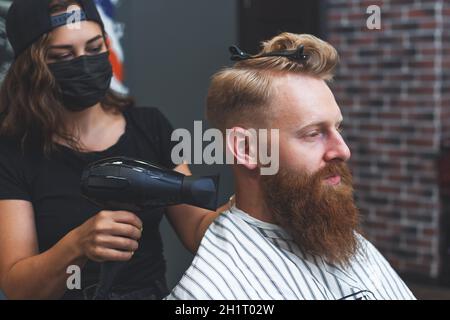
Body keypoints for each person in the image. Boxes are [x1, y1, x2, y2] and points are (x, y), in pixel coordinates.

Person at [166, 33, 416, 300]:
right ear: (247, 149)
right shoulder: (213, 290)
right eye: (313, 134)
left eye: (337, 128)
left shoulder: (335, 237)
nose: (343, 150)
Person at [0, 0, 222, 300]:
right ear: (32, 67)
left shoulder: (150, 127)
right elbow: (18, 288)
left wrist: (251, 192)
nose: (84, 62)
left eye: (94, 49)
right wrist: (76, 246)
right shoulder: (14, 152)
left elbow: (197, 229)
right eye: (63, 55)